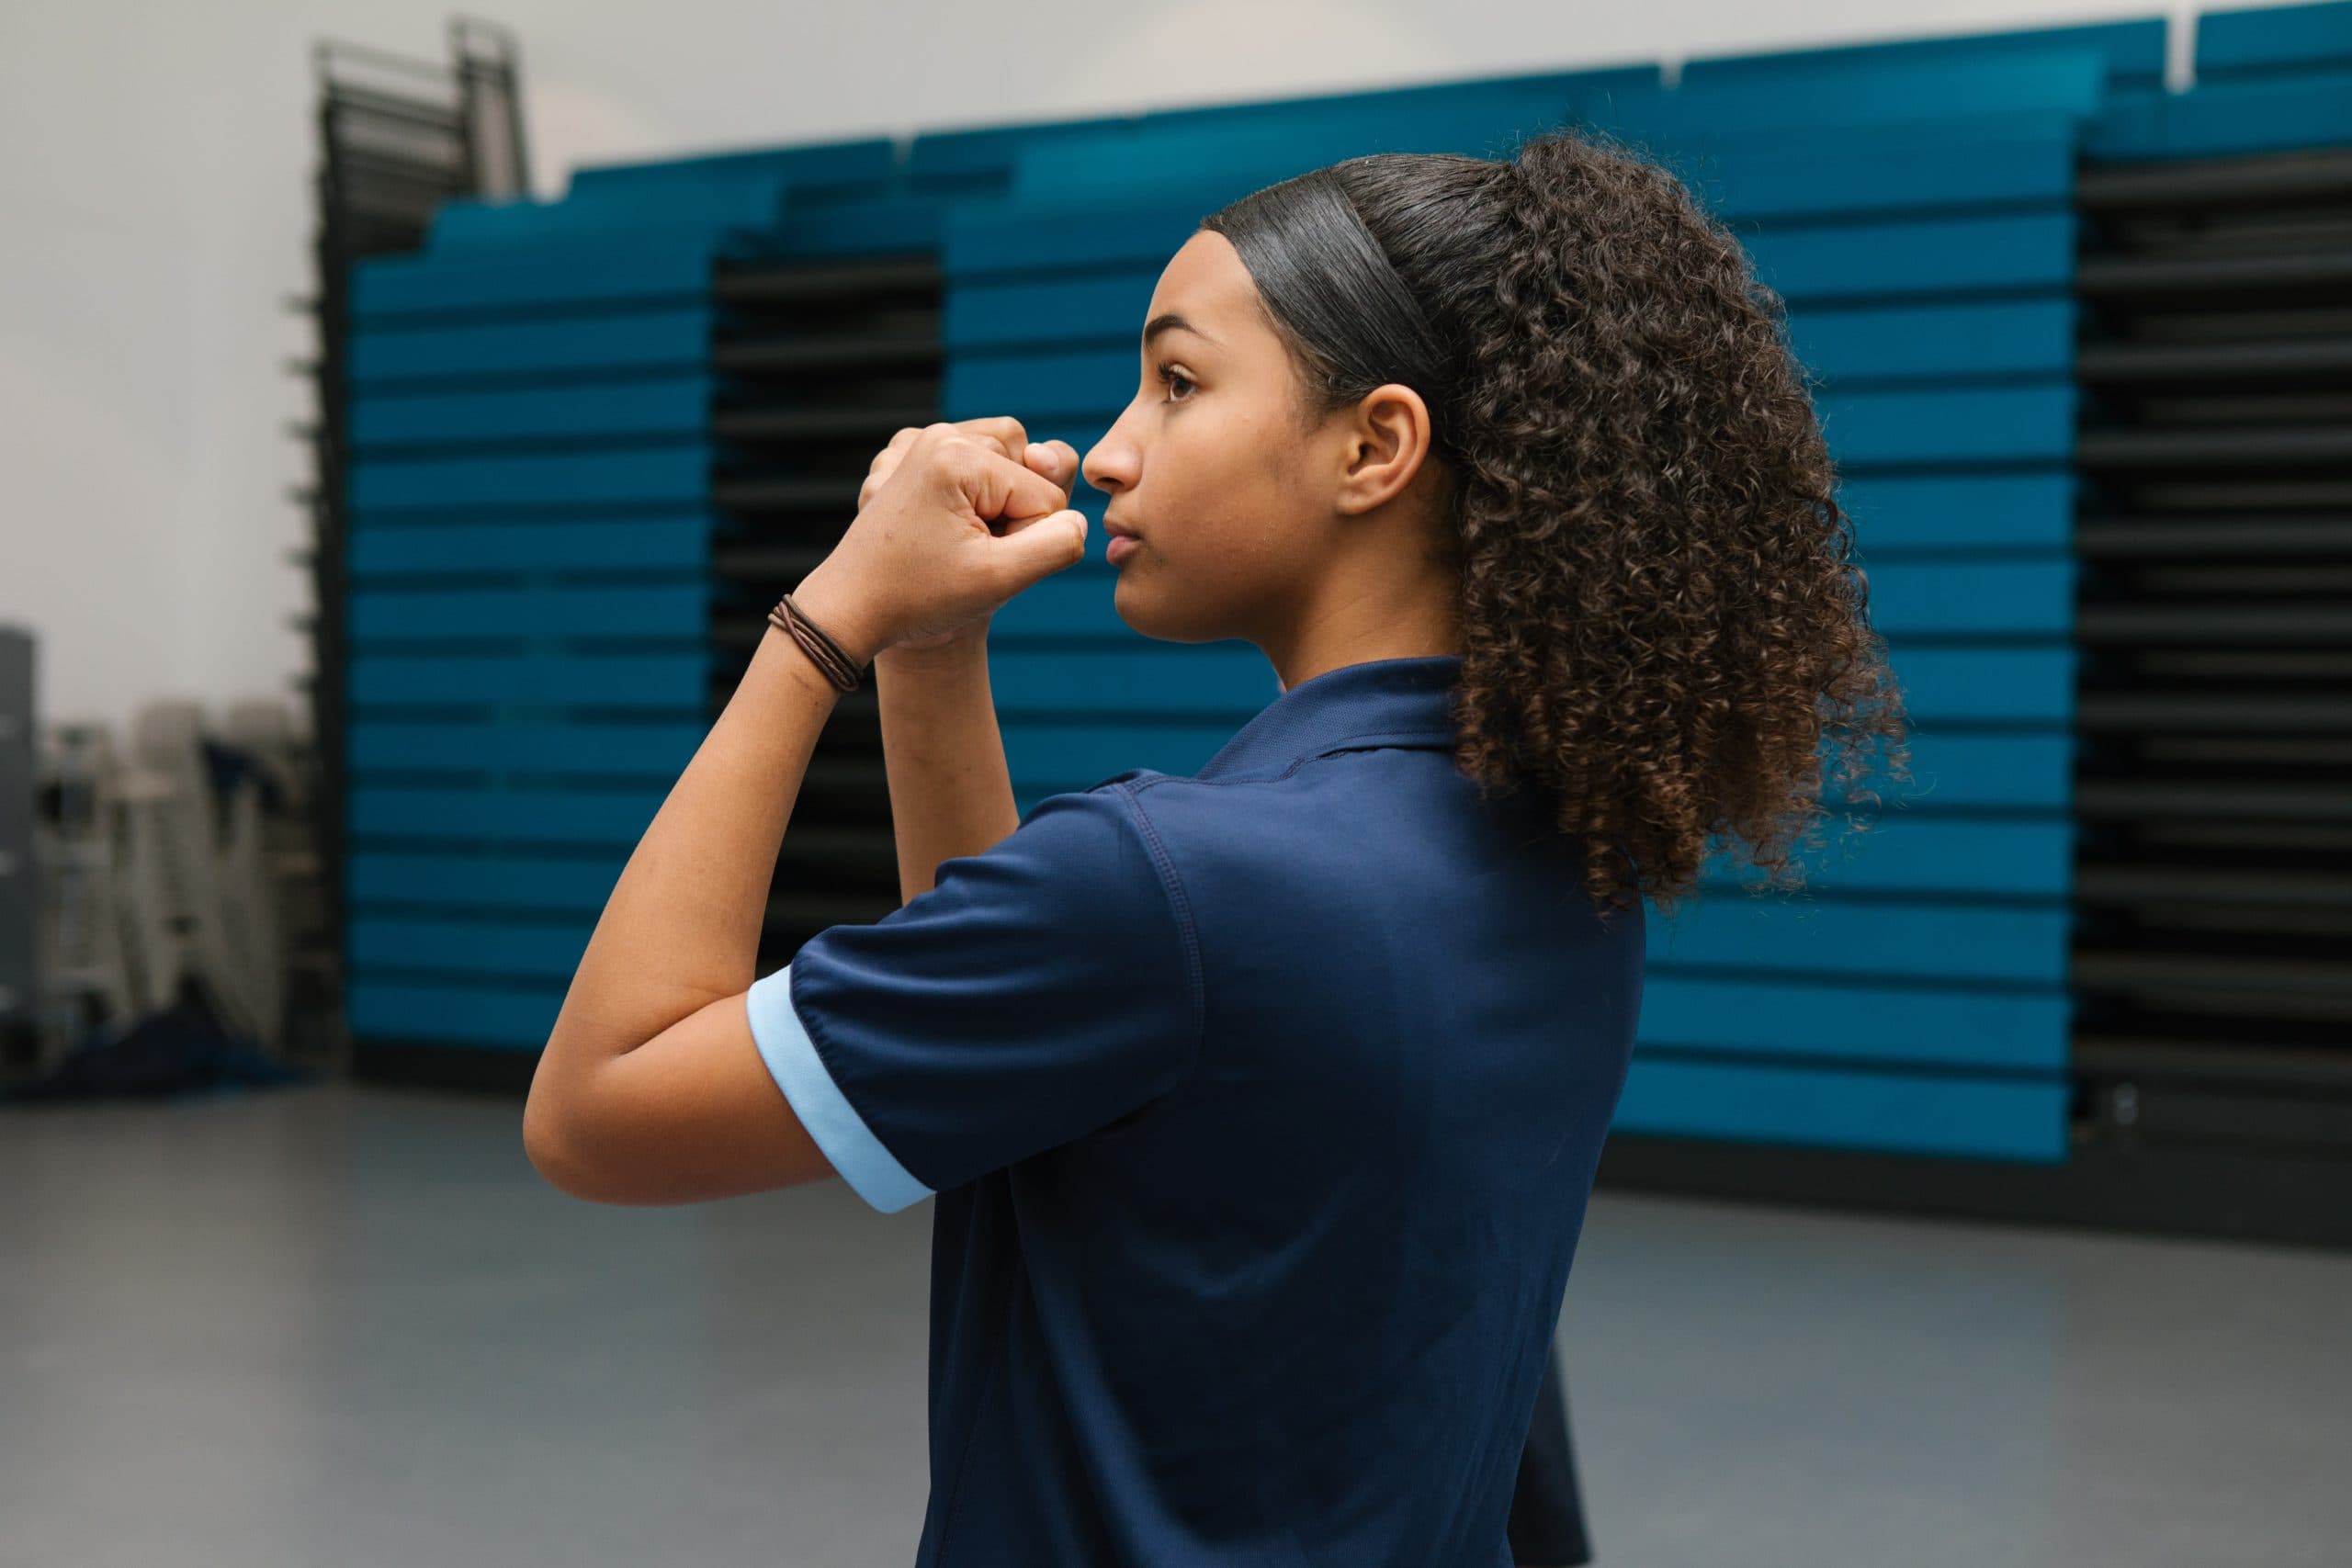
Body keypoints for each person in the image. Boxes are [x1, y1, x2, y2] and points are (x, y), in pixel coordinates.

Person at [522, 125, 1909, 1565]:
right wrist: (936, 651)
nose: (1112, 452)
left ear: (1374, 447)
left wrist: (827, 621)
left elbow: (599, 1111)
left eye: (1178, 383)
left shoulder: (1174, 888)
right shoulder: (1564, 857)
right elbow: (1010, 1065)